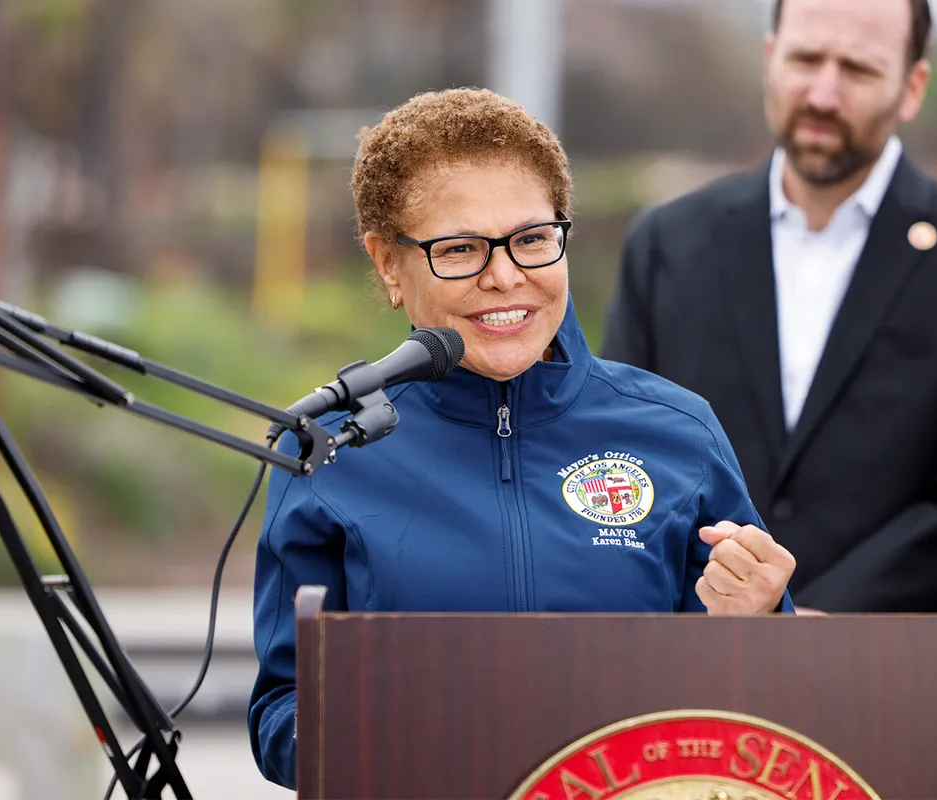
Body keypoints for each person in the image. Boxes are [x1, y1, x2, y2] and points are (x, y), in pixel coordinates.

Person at [247, 87, 798, 790]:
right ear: (388, 263)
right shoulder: (329, 445)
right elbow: (279, 717)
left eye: (532, 239)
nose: (505, 276)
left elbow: (754, 720)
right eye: (460, 249)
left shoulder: (679, 433)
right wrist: (392, 730)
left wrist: (757, 623)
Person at [600, 0, 937, 613]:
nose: (824, 94)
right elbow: (622, 458)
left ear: (913, 86)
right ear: (769, 59)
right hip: (690, 659)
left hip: (895, 676)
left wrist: (806, 623)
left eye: (858, 69)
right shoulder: (665, 244)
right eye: (806, 59)